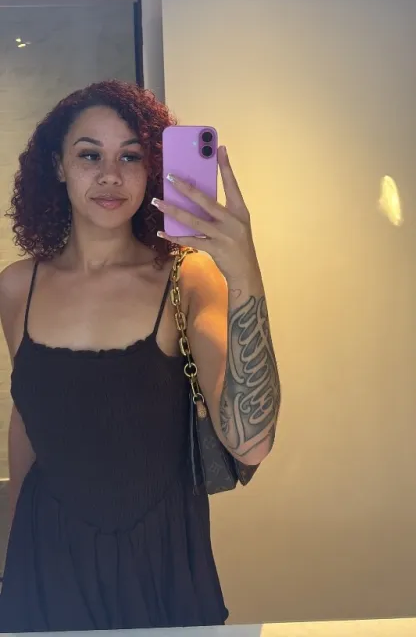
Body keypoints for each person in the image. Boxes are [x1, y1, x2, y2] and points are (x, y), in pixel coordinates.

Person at [0, 80, 280, 632]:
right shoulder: (15, 287)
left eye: (130, 156)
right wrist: (12, 559)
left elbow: (252, 441)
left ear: (151, 169)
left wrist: (245, 273)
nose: (110, 175)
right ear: (58, 166)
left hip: (161, 560)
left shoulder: (188, 277)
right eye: (89, 155)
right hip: (46, 558)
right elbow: (28, 419)